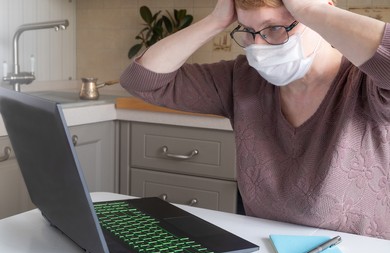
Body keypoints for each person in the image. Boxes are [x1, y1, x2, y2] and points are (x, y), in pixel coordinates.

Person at [120, 0, 390, 240]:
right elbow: (142, 81)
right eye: (248, 32)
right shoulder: (243, 79)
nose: (258, 47)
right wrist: (216, 21)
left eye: (275, 28)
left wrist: (311, 9)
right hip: (267, 250)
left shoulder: (368, 85)